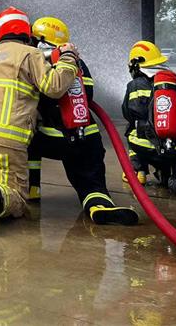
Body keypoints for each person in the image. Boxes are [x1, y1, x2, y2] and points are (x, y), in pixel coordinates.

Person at [0, 7, 81, 236]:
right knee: (16, 195)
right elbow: (54, 87)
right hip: (6, 137)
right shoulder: (31, 54)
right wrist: (68, 58)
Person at [27, 16, 139, 225]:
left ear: (39, 40)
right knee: (91, 181)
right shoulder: (77, 62)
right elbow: (89, 94)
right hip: (85, 136)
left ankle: (32, 188)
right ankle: (98, 205)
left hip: (49, 139)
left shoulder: (36, 62)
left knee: (21, 138)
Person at [121, 40, 176, 195]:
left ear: (136, 64)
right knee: (168, 145)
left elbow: (128, 113)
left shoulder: (134, 85)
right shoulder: (174, 84)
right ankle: (173, 168)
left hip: (146, 147)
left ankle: (138, 171)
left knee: (131, 130)